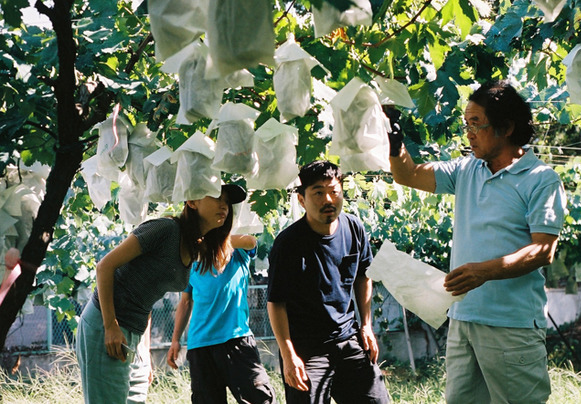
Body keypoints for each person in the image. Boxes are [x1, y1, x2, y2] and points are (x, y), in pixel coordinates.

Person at [385, 80, 566, 404]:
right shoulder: (467, 169)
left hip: (512, 326)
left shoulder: (541, 179)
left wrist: (484, 271)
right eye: (466, 123)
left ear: (507, 126)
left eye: (476, 124)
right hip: (464, 319)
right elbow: (407, 174)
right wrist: (392, 131)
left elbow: (543, 250)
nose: (468, 132)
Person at [76, 184, 248, 404]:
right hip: (108, 325)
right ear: (191, 202)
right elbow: (104, 267)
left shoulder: (194, 247)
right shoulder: (166, 229)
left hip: (134, 335)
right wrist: (110, 325)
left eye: (227, 201)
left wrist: (144, 353)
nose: (224, 205)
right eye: (216, 197)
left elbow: (146, 297)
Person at [267, 160, 390, 404]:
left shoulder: (354, 228)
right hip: (306, 349)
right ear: (302, 200)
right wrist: (288, 354)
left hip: (347, 338)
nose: (328, 200)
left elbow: (364, 275)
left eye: (334, 192)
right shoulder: (288, 244)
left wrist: (366, 325)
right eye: (318, 193)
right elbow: (276, 302)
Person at [166, 232, 277, 404]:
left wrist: (209, 241)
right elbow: (185, 301)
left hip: (236, 340)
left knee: (261, 399)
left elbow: (251, 241)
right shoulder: (193, 262)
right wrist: (175, 340)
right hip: (200, 346)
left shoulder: (237, 252)